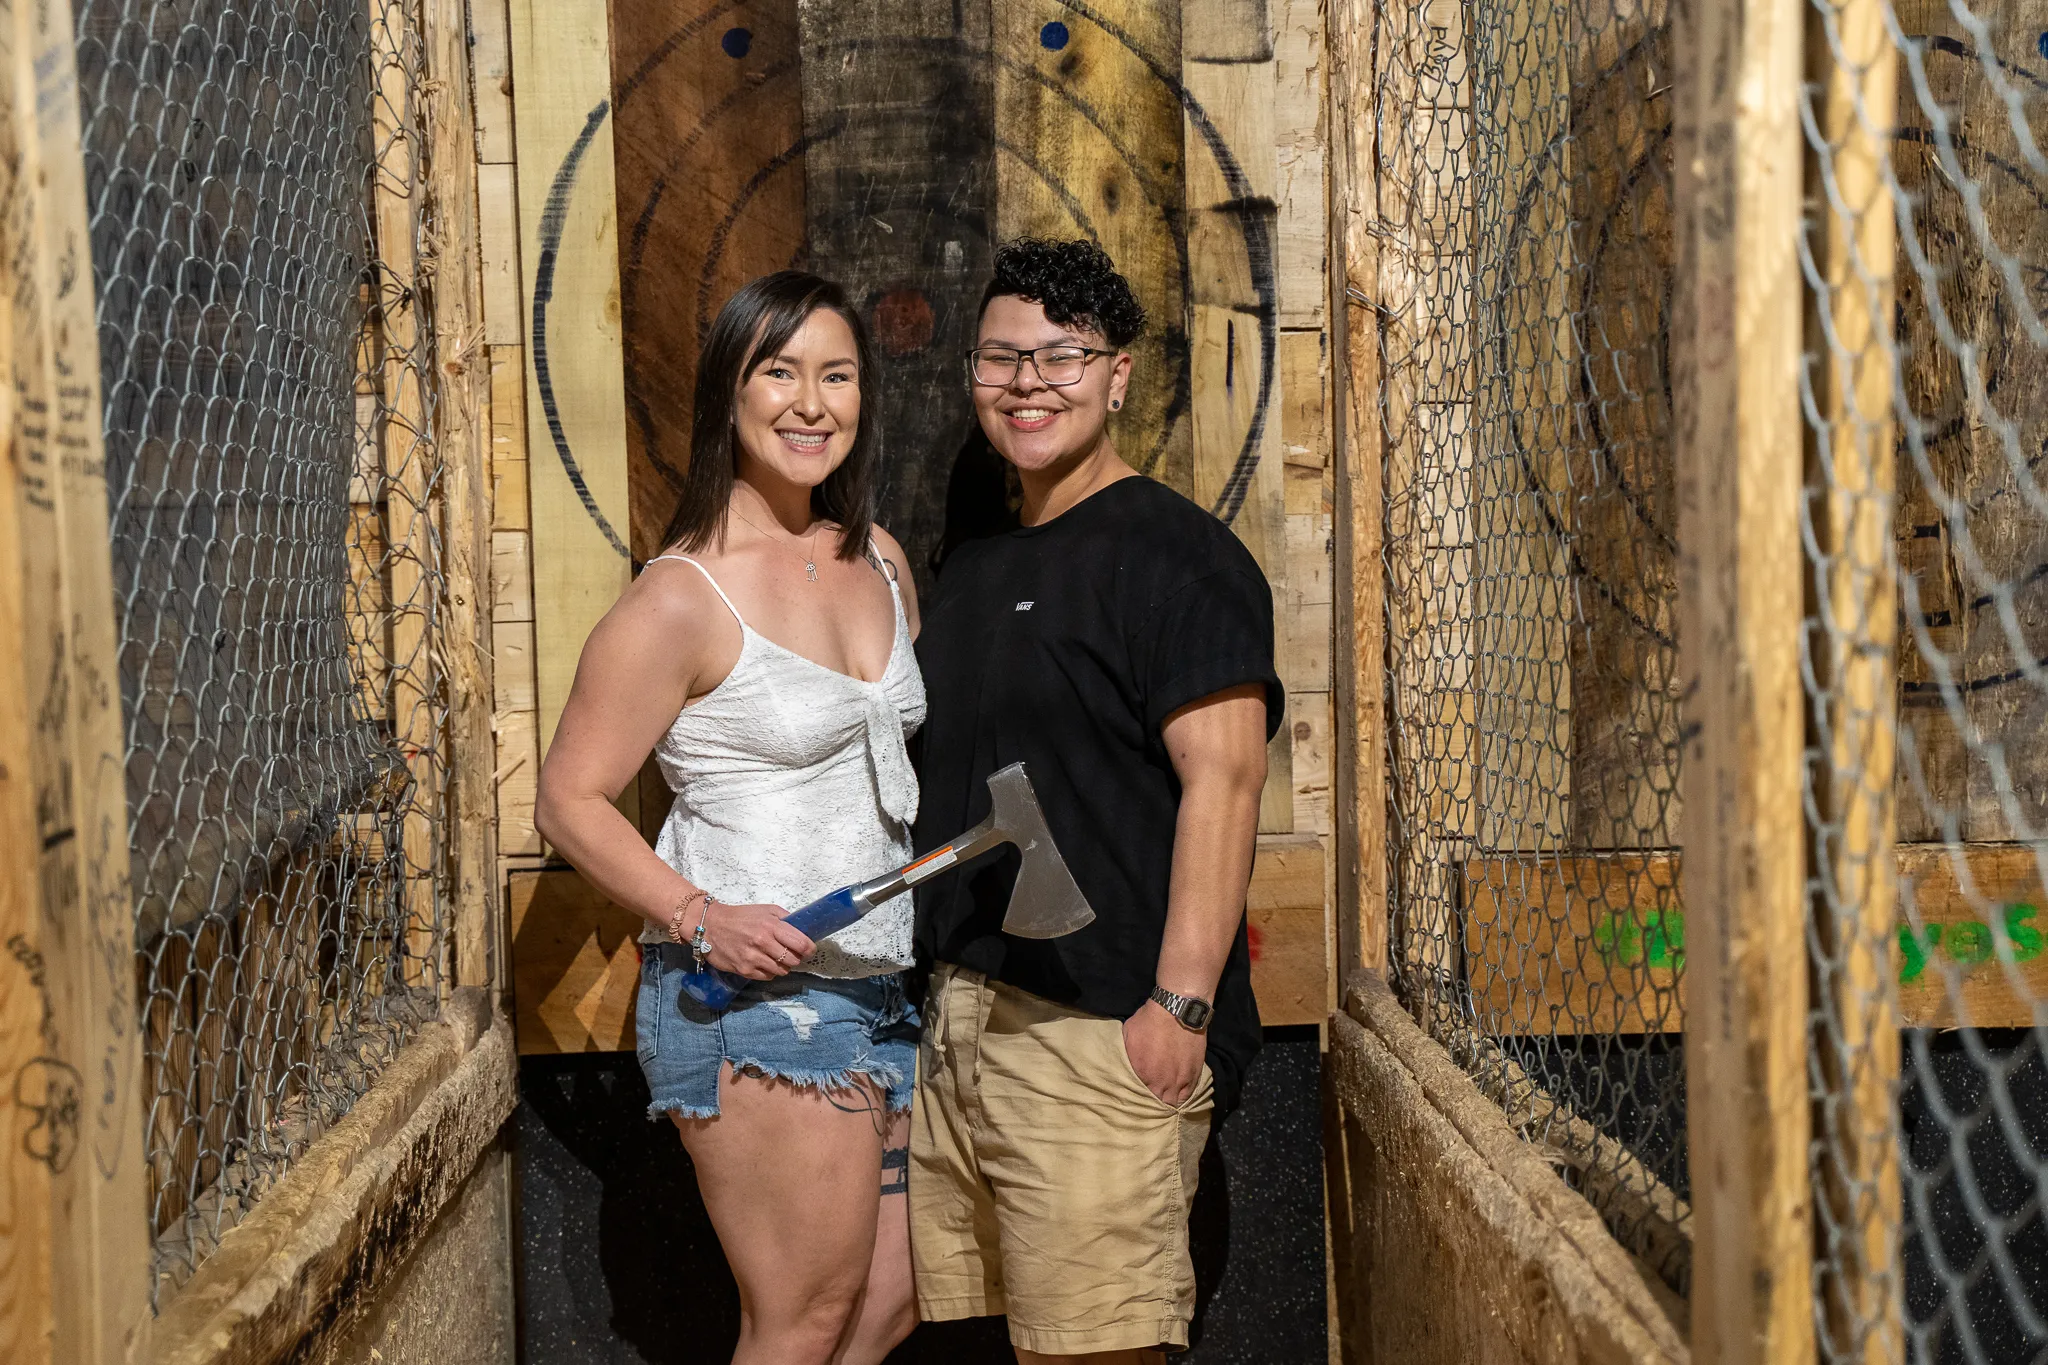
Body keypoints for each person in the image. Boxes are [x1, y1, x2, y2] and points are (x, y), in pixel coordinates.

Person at [534, 271, 922, 1365]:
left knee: (889, 1297)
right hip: (756, 995)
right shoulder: (679, 598)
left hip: (876, 976)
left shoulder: (878, 560)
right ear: (728, 395)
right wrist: (702, 917)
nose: (811, 403)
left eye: (836, 375)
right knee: (797, 1319)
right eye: (780, 372)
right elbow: (567, 797)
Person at [909, 238, 1282, 1362]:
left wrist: (1176, 1011)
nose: (1028, 382)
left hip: (1098, 1032)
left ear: (1117, 376)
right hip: (964, 1025)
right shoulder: (971, 566)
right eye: (1001, 358)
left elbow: (1225, 779)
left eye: (1061, 356)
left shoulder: (1179, 558)